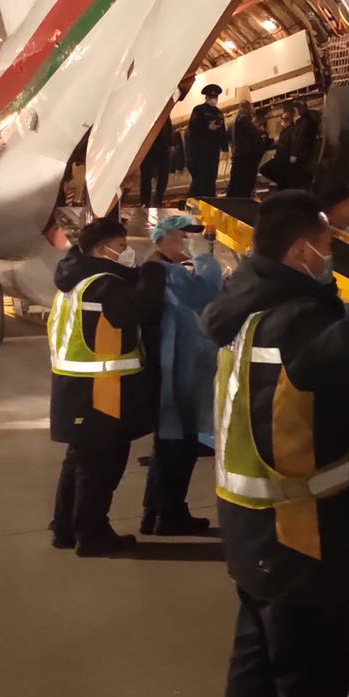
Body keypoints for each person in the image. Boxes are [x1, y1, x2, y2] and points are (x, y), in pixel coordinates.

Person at [202, 191, 349, 697]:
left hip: (252, 533)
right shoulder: (297, 325)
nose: (331, 255)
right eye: (327, 245)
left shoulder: (245, 311)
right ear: (299, 253)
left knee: (257, 666)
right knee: (310, 687)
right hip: (299, 541)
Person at [49, 215, 164, 556]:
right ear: (102, 249)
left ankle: (65, 529)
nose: (127, 251)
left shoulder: (75, 279)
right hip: (100, 391)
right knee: (99, 468)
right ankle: (92, 535)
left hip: (76, 389)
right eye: (121, 245)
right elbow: (139, 311)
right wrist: (154, 273)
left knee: (79, 462)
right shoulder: (103, 284)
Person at [140, 214, 223, 535]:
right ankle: (169, 515)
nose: (187, 241)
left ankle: (156, 514)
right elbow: (206, 292)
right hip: (177, 373)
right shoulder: (168, 273)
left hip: (174, 370)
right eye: (183, 236)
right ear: (164, 238)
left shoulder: (161, 270)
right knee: (178, 448)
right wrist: (205, 258)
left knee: (168, 447)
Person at [260, 102, 319, 191]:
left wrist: (294, 155)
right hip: (287, 157)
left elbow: (298, 141)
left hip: (287, 158)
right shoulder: (299, 125)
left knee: (272, 171)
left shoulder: (300, 126)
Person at [188, 83, 230, 197]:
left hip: (213, 150)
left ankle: (210, 199)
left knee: (212, 177)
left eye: (215, 97)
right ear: (206, 97)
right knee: (200, 178)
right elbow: (193, 128)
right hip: (200, 151)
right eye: (211, 97)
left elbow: (222, 132)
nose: (213, 99)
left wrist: (225, 148)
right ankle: (196, 200)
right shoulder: (199, 110)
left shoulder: (219, 113)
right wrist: (207, 127)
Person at [227, 101, 270, 199]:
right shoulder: (244, 119)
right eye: (251, 107)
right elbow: (255, 136)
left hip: (237, 156)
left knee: (234, 185)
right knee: (245, 185)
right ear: (246, 108)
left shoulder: (232, 122)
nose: (253, 110)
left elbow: (228, 139)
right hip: (246, 158)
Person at [140, 119, 177, 206]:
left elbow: (168, 125)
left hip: (162, 146)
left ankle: (157, 200)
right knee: (146, 175)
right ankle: (145, 201)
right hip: (148, 146)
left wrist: (171, 143)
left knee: (163, 174)